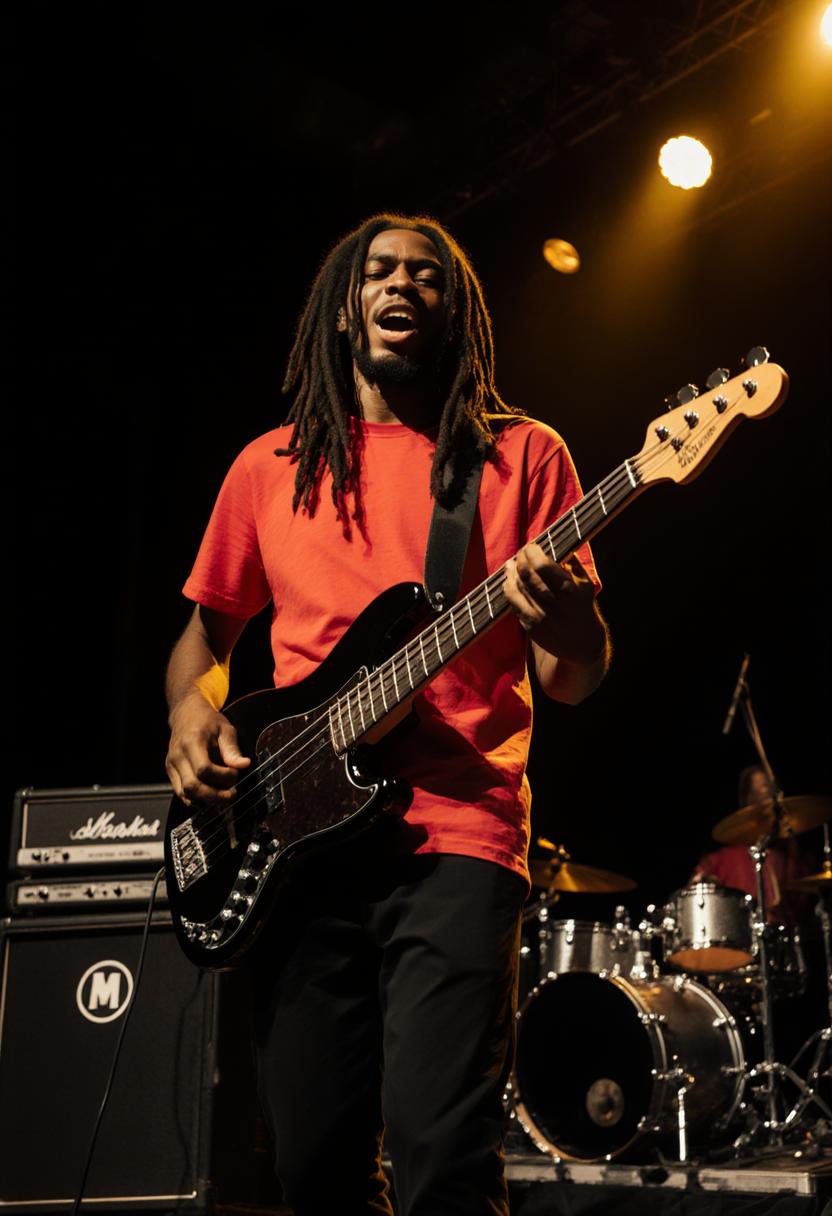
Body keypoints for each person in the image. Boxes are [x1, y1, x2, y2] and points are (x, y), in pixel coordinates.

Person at [165, 213, 610, 1216]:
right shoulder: (266, 468)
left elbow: (572, 677)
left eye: (427, 276)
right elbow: (202, 645)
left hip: (457, 833)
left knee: (439, 1152)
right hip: (294, 852)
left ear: (455, 314)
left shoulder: (521, 456)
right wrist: (187, 721)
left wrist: (570, 614)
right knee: (313, 1166)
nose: (402, 284)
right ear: (341, 308)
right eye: (379, 271)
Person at [692, 765, 814, 925]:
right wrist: (705, 883)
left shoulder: (792, 861)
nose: (768, 793)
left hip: (785, 941)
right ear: (748, 799)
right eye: (763, 787)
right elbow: (694, 891)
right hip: (736, 941)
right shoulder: (720, 860)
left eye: (771, 788)